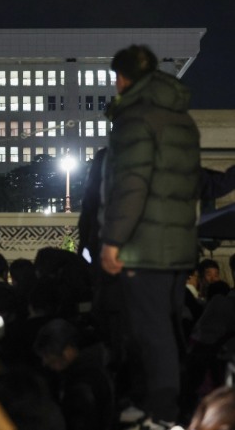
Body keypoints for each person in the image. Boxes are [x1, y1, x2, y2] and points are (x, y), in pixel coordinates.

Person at [99, 44, 201, 429]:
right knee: (170, 330)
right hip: (176, 246)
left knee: (149, 333)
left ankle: (161, 414)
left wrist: (113, 241)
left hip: (144, 247)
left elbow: (131, 184)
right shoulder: (180, 120)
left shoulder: (135, 119)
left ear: (124, 79)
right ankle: (166, 406)